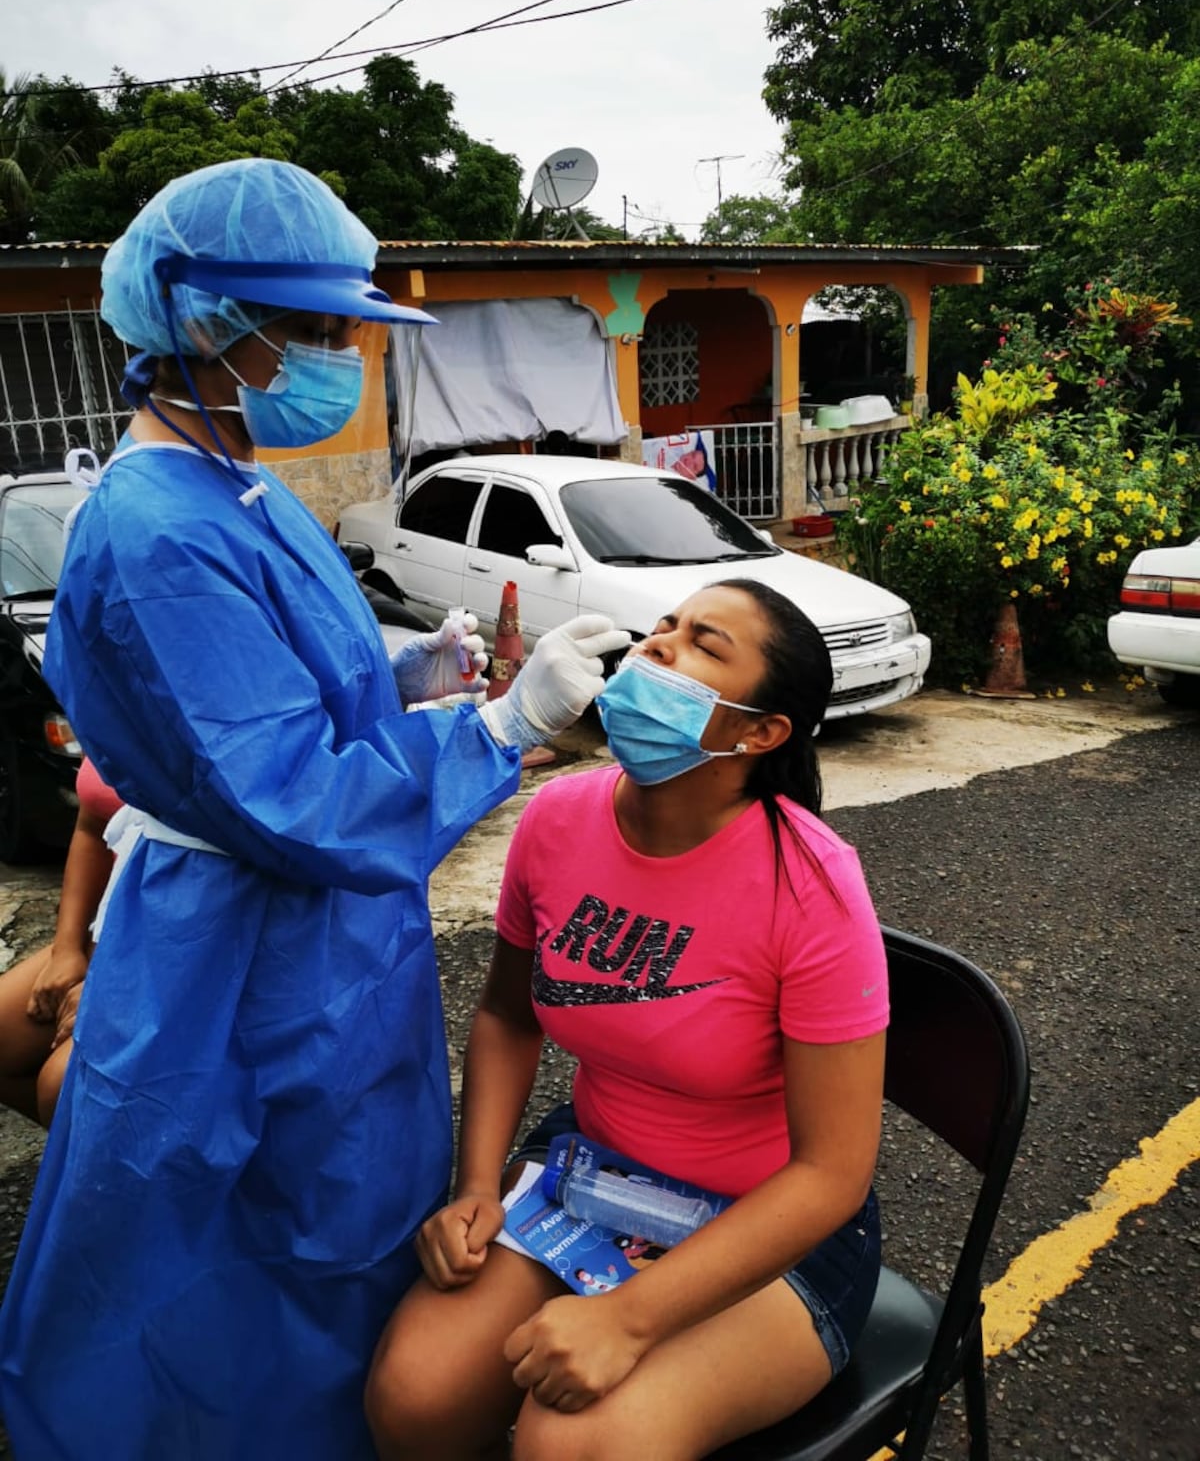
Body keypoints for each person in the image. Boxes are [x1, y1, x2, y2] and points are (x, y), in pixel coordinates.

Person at [0, 157, 627, 1461]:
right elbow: (282, 790)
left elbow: (268, 696)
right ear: (212, 323)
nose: (341, 354)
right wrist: (500, 729)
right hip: (240, 953)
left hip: (326, 952)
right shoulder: (160, 524)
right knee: (218, 1252)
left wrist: (401, 674)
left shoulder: (231, 480)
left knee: (337, 1229)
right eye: (318, 328)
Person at [366, 577, 889, 1461]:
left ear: (758, 733)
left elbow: (832, 1174)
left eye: (704, 645)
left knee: (575, 1442)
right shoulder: (559, 817)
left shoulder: (813, 887)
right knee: (415, 1396)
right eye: (664, 627)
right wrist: (477, 1186)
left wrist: (630, 1319)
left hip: (771, 1232)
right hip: (593, 1170)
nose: (657, 645)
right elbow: (507, 1015)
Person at [0, 757, 121, 1127]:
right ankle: (87, 1163)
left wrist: (111, 987)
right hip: (112, 928)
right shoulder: (114, 710)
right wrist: (65, 948)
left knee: (62, 1087)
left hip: (187, 945)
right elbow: (92, 822)